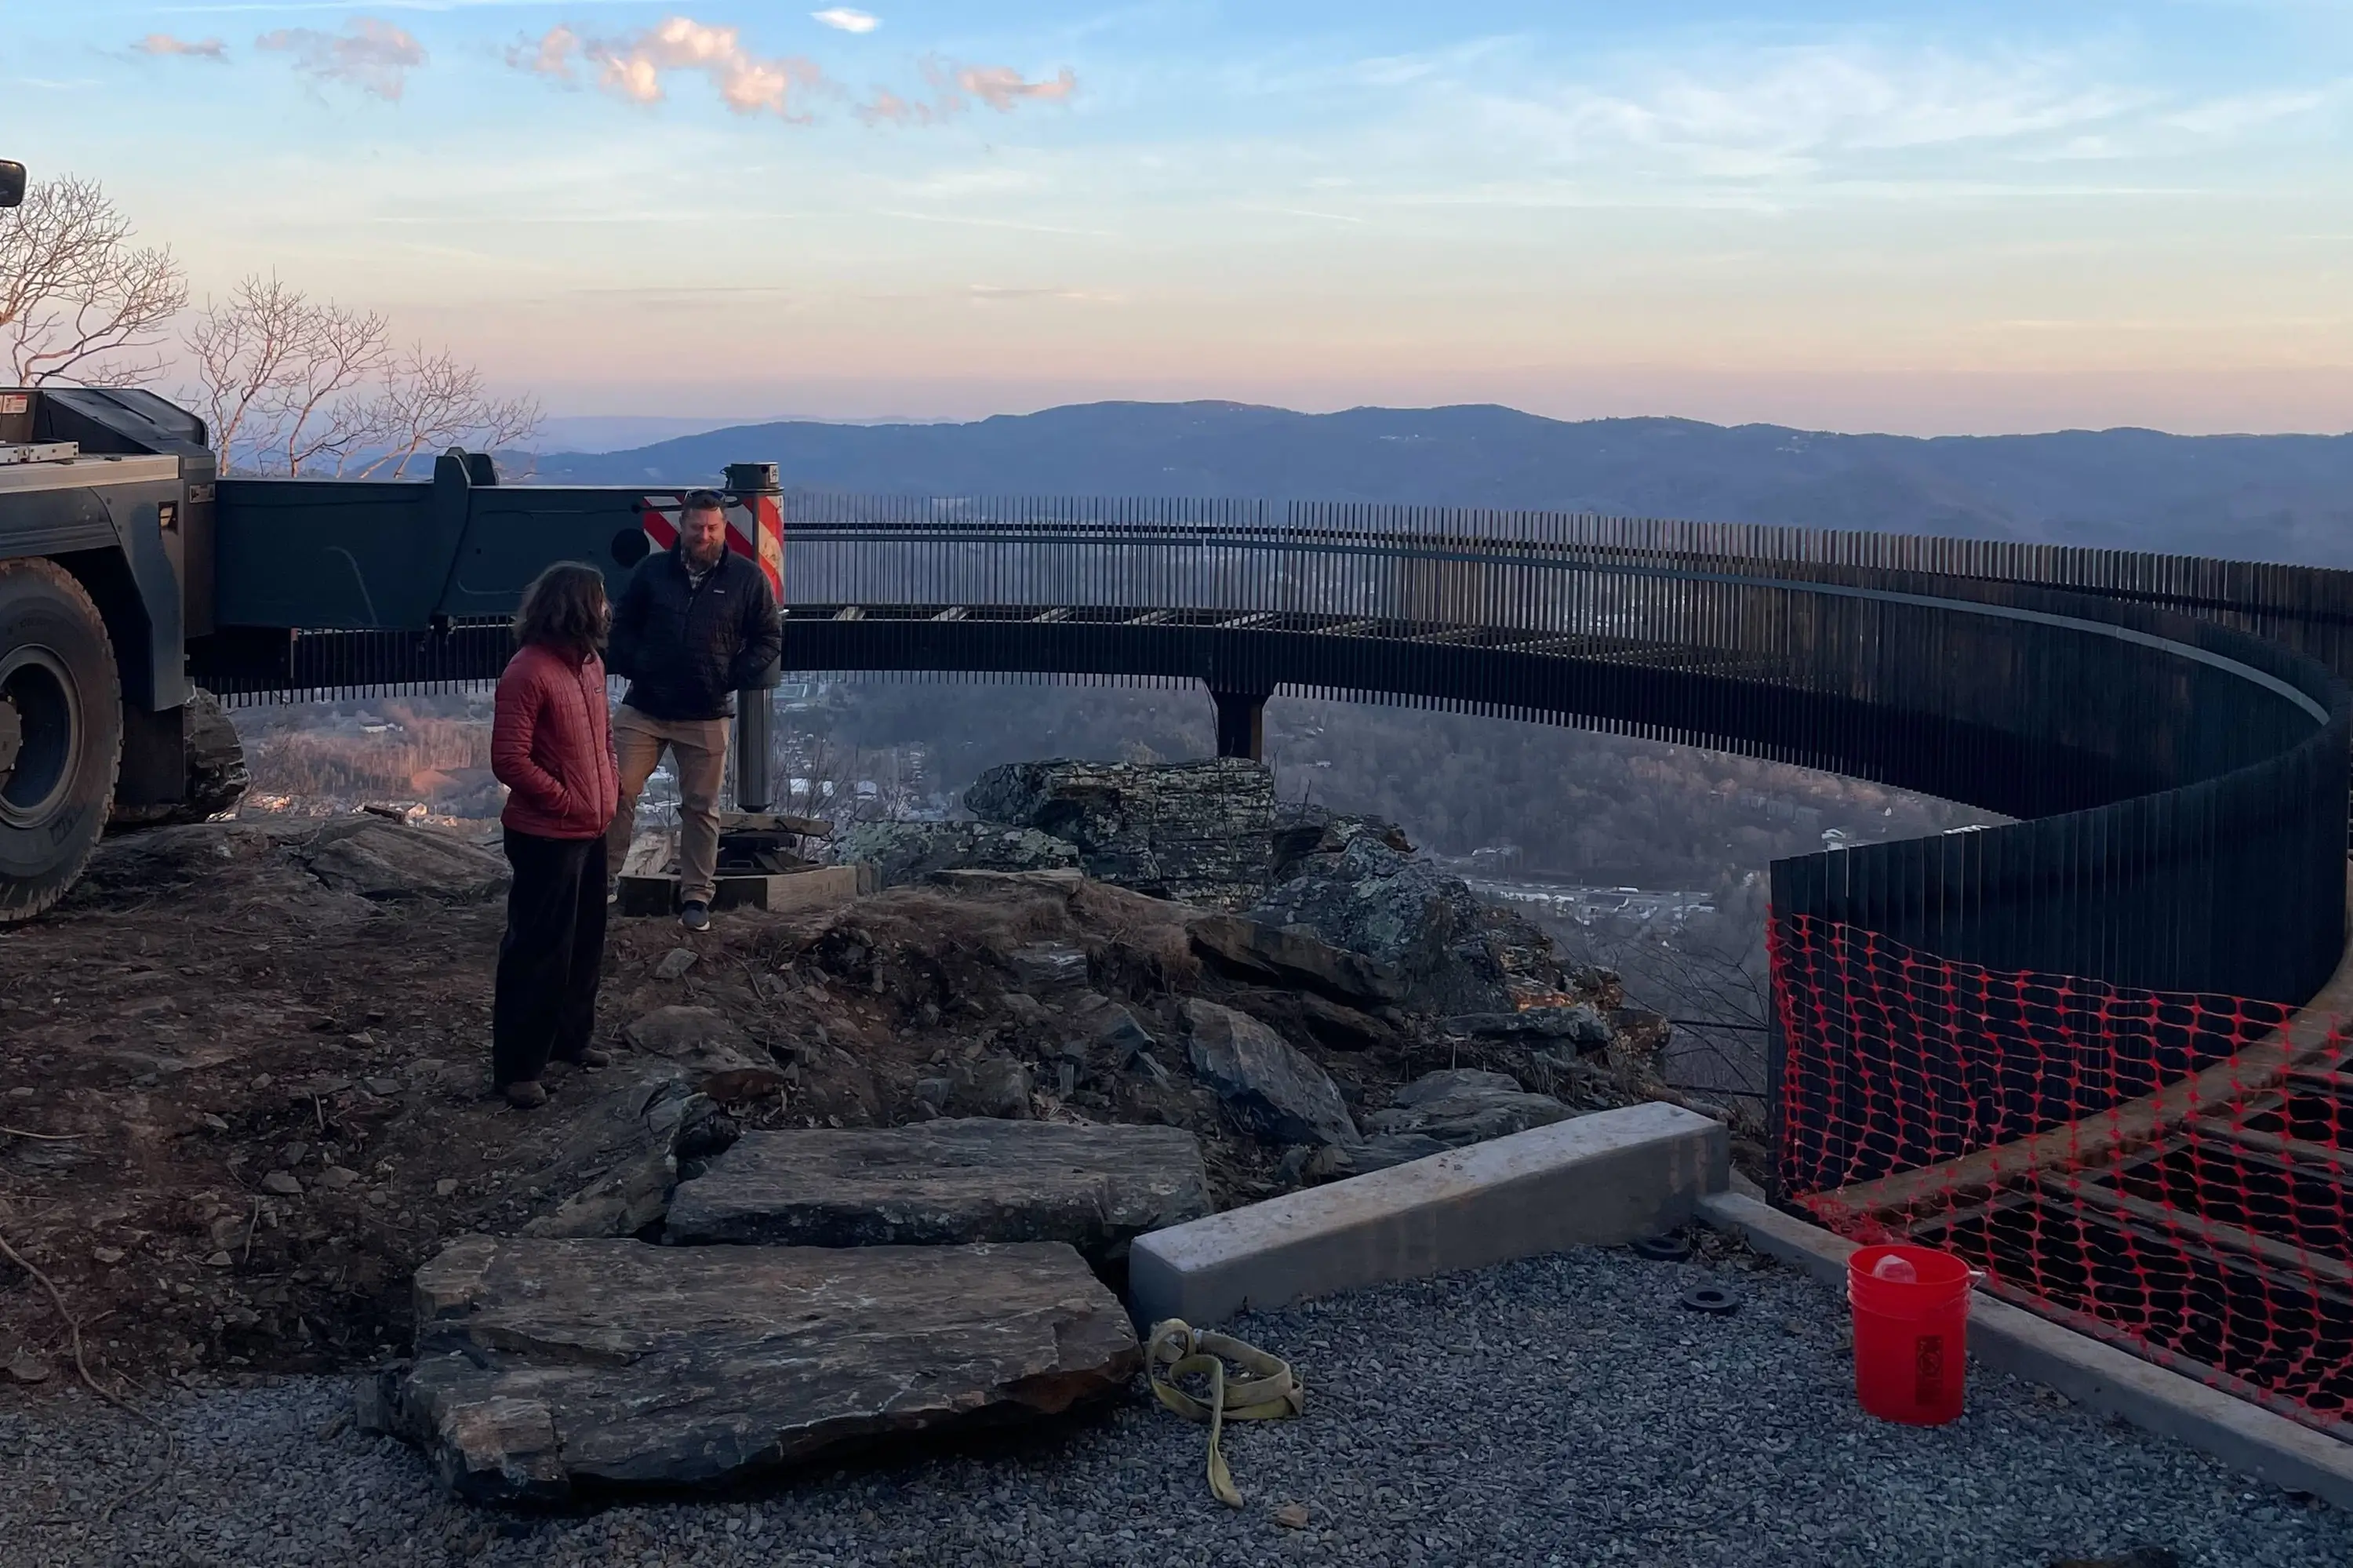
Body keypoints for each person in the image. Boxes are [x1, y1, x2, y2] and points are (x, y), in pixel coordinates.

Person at [604, 488, 783, 932]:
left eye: (712, 527)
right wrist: (635, 665)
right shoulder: (651, 573)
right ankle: (601, 882)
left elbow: (768, 638)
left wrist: (728, 676)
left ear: (724, 528)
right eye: (696, 526)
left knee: (702, 806)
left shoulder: (747, 579)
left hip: (706, 710)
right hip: (645, 705)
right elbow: (620, 627)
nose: (704, 535)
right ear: (681, 527)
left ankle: (696, 896)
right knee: (614, 792)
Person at [489, 562, 621, 1110]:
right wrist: (566, 799)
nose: (608, 607)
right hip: (547, 834)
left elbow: (604, 738)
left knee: (585, 941)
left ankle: (571, 1039)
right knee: (538, 949)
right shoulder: (529, 670)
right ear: (577, 606)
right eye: (601, 597)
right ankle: (519, 1067)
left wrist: (607, 786)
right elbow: (509, 759)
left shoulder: (590, 664)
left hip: (590, 829)